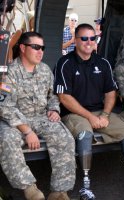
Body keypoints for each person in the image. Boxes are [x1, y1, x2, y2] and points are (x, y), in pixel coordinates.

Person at [54, 23, 124, 199]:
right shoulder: (64, 63)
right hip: (74, 114)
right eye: (84, 38)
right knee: (85, 133)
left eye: (92, 38)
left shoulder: (103, 63)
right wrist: (91, 117)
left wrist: (105, 115)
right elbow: (64, 98)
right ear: (75, 40)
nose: (89, 42)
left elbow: (110, 93)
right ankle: (86, 187)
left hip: (100, 112)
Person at [0, 32, 75, 200]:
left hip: (41, 117)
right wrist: (27, 131)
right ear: (22, 48)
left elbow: (53, 96)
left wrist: (54, 110)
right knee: (7, 139)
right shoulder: (9, 73)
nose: (40, 51)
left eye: (42, 48)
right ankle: (30, 189)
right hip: (15, 121)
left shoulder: (45, 70)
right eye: (35, 47)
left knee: (65, 137)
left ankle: (59, 191)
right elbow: (4, 107)